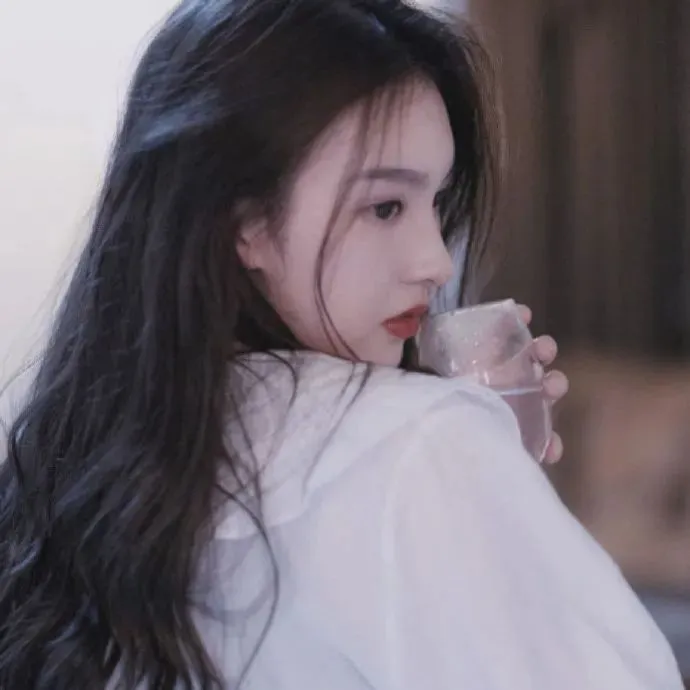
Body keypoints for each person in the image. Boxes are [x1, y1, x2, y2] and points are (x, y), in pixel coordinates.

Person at [0, 0, 682, 688]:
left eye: (435, 204)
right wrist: (463, 466)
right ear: (245, 223)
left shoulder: (80, 468)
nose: (435, 262)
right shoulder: (416, 447)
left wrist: (495, 490)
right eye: (384, 207)